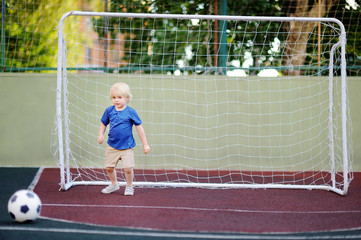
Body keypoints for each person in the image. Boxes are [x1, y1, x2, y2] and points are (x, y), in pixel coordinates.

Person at [98, 82, 150, 196]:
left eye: (119, 97)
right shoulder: (109, 110)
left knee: (127, 168)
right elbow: (103, 123)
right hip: (112, 145)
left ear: (127, 98)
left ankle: (129, 186)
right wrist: (100, 134)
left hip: (127, 146)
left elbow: (139, 128)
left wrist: (145, 144)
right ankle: (114, 184)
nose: (116, 100)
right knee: (109, 167)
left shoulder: (131, 112)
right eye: (113, 97)